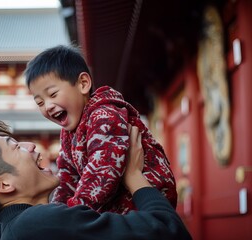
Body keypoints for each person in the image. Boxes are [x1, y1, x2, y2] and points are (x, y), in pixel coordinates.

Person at [0, 120, 192, 239]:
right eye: (15, 147)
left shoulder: (16, 231)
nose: (31, 146)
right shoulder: (38, 224)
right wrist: (135, 177)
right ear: (4, 185)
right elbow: (170, 232)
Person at [25, 45, 177, 214]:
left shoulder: (104, 114)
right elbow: (67, 177)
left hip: (147, 195)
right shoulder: (69, 134)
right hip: (117, 202)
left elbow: (103, 169)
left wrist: (73, 213)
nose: (48, 106)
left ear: (83, 84)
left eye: (53, 94)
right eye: (40, 102)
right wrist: (57, 211)